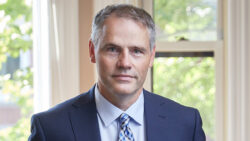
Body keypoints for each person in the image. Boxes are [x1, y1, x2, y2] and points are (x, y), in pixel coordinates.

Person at [28, 4, 206, 141]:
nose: (125, 63)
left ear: (151, 57)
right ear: (92, 51)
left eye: (137, 51)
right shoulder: (50, 128)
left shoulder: (186, 124)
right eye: (112, 49)